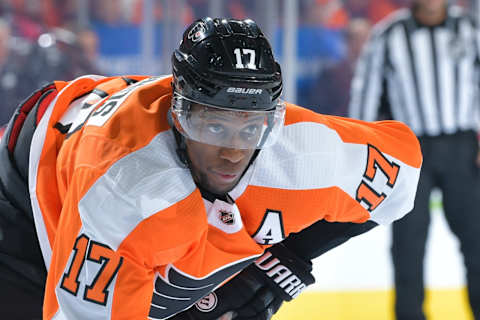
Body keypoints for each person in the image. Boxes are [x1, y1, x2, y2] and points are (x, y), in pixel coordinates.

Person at [0, 17, 422, 319]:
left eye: (250, 127)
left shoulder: (307, 151)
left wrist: (283, 263)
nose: (232, 152)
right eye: (213, 124)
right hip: (27, 202)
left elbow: (402, 176)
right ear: (177, 112)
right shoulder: (125, 191)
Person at [349, 1, 480, 319]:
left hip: (463, 148)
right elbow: (365, 95)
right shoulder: (388, 35)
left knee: (477, 242)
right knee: (408, 245)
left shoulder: (471, 29)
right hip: (410, 150)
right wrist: (360, 155)